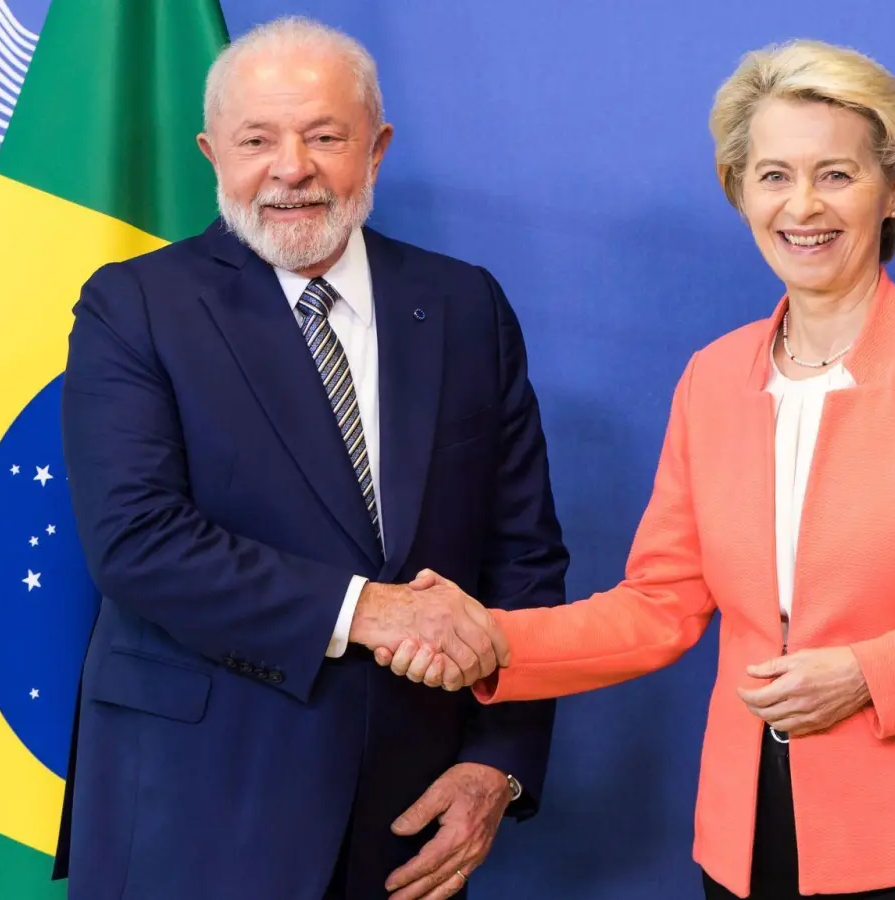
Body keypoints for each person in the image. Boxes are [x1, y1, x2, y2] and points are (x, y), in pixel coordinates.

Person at [380, 39, 895, 899]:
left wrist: (870, 674)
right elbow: (660, 607)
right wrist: (493, 638)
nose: (803, 206)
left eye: (836, 174)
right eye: (774, 175)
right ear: (739, 191)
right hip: (751, 838)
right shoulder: (713, 379)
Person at [53, 16, 568, 900]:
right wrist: (368, 612)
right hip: (195, 807)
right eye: (258, 140)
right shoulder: (134, 306)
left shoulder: (464, 305)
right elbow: (136, 540)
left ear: (376, 148)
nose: (291, 168)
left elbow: (522, 557)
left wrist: (499, 765)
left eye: (324, 136)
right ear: (214, 153)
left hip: (406, 823)